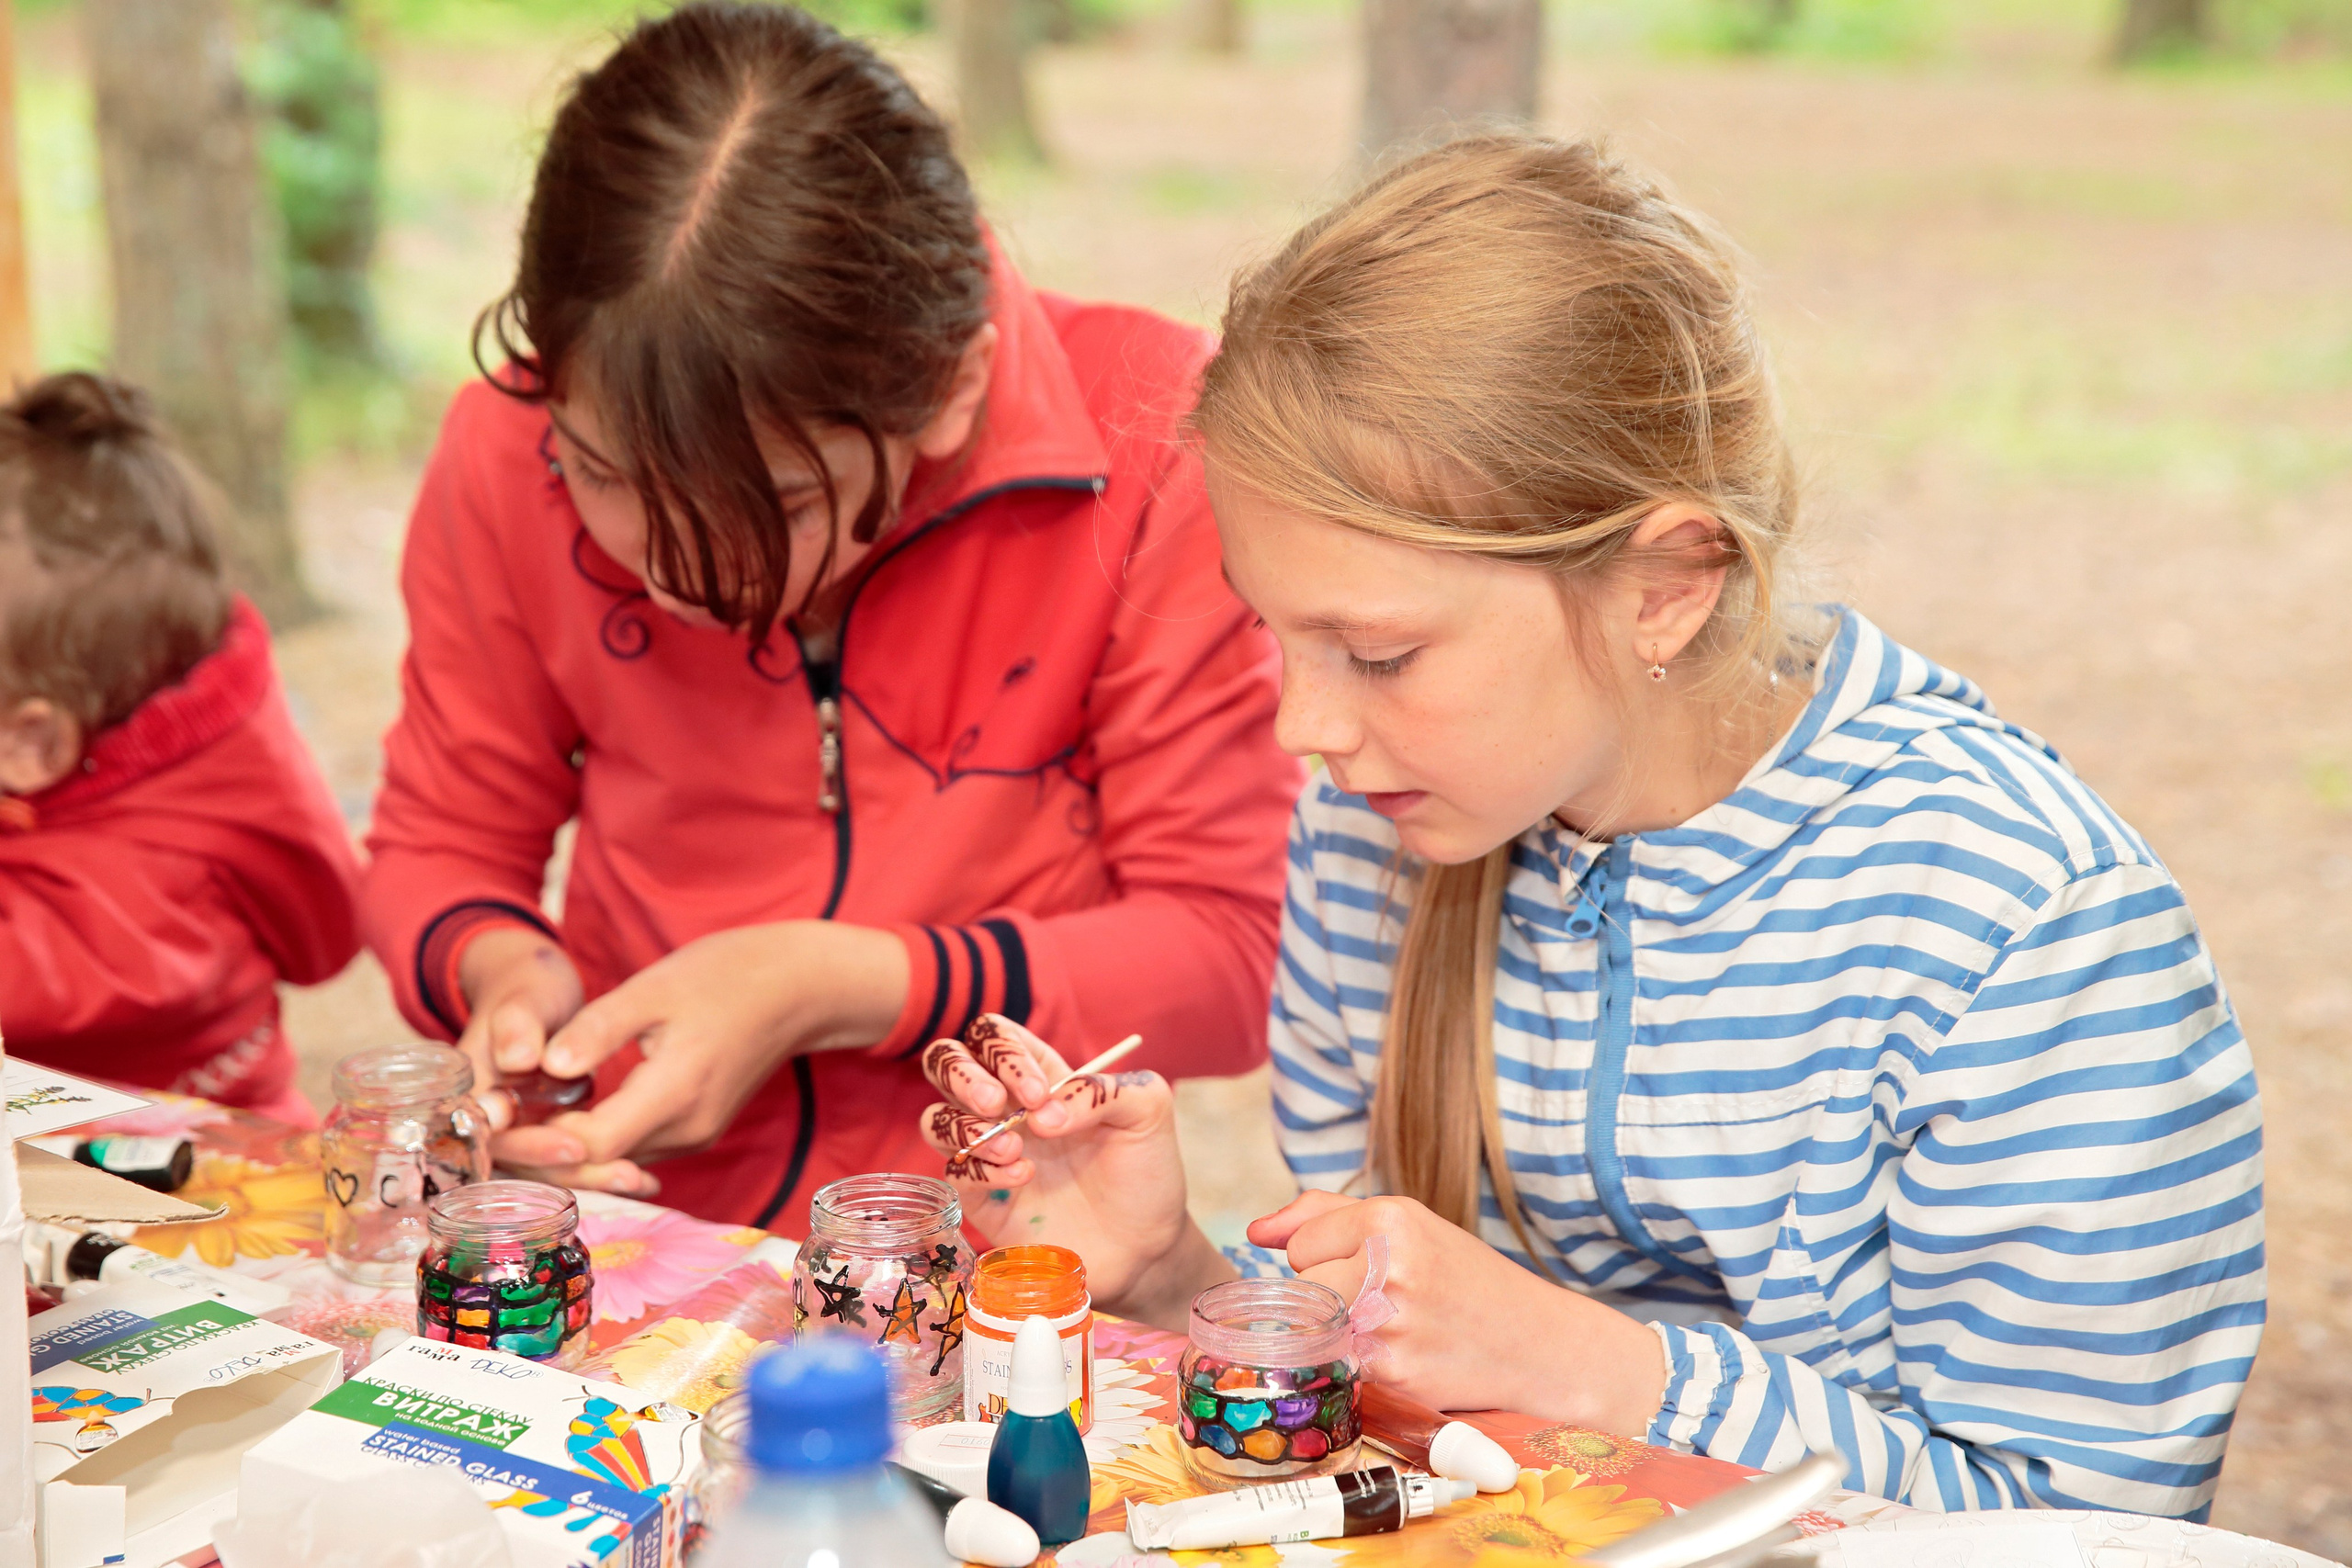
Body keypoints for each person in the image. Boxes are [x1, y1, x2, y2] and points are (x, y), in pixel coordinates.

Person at [918, 136, 2264, 1518]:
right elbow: (1422, 1400)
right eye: (1274, 633)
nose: (1301, 727)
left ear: (1668, 585)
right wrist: (1175, 1276)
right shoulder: (1379, 827)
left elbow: (2101, 1526)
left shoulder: (2023, 926)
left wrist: (1599, 1365)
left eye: (1377, 654)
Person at [360, 2, 1298, 1227]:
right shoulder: (501, 446)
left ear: (953, 387)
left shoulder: (1156, 440)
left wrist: (847, 981)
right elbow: (438, 845)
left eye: (783, 498)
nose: (670, 571)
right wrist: (507, 978)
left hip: (1009, 1244)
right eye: (598, 474)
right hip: (646, 1226)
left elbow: (1232, 954)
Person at [0, 372, 360, 1122]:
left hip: (181, 1190)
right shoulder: (230, 760)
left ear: (29, 741)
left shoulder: (142, 890)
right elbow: (324, 935)